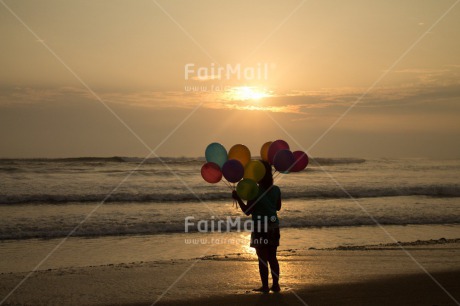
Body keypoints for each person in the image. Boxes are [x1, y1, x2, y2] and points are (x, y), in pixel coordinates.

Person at [232, 160, 281, 293]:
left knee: (262, 259)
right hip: (274, 226)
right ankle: (276, 285)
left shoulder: (254, 191)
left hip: (260, 227)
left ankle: (265, 287)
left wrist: (238, 198)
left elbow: (247, 211)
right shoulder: (276, 189)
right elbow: (278, 207)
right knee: (272, 257)